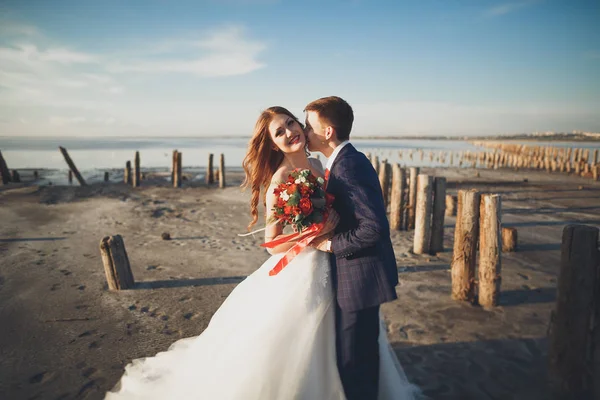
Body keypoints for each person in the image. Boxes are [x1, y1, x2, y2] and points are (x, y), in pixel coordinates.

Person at [105, 106, 419, 399]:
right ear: (272, 145)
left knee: (343, 342)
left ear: (301, 125)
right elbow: (272, 244)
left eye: (291, 124)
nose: (289, 133)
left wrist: (331, 234)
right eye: (279, 133)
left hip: (337, 264)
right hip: (305, 268)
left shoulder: (320, 165)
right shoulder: (280, 180)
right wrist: (313, 234)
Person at [304, 96, 403, 400]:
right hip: (356, 276)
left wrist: (330, 243)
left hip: (360, 278)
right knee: (359, 356)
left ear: (328, 131)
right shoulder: (341, 163)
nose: (305, 132)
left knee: (354, 361)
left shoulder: (349, 166)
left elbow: (374, 227)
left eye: (309, 126)